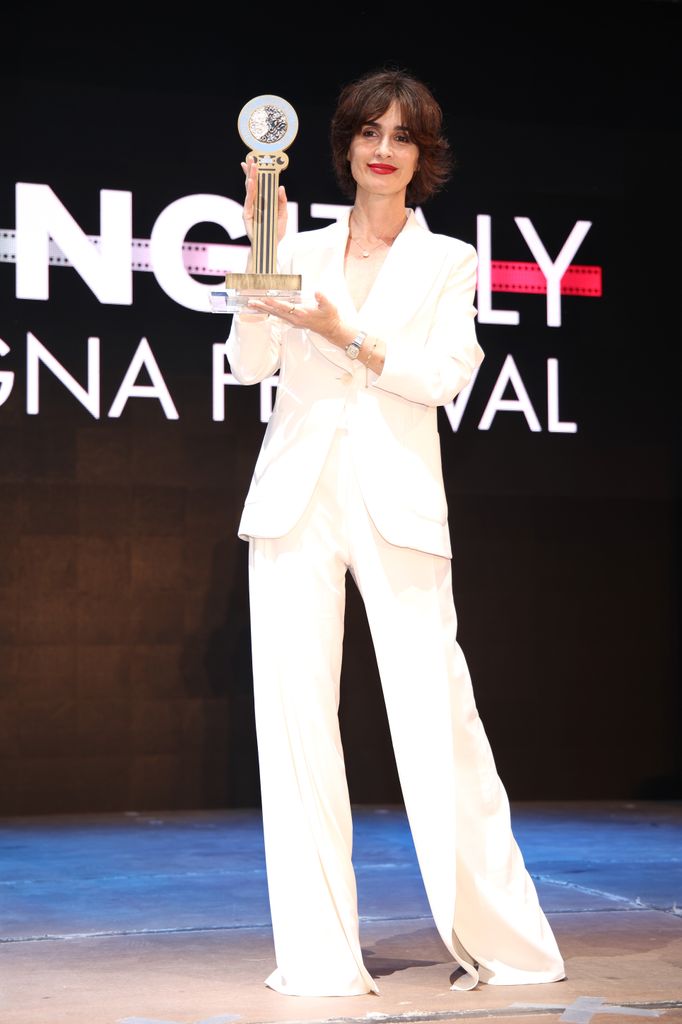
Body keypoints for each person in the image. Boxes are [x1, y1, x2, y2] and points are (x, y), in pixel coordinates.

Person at [225, 67, 565, 998]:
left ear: (423, 156)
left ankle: (508, 945)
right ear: (345, 146)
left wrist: (347, 332)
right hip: (296, 499)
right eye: (369, 131)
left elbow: (442, 376)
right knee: (294, 730)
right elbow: (251, 366)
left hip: (400, 506)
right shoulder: (298, 240)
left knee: (438, 720)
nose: (383, 148)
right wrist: (257, 275)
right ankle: (320, 960)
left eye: (402, 135)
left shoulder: (448, 260)